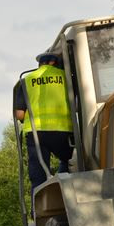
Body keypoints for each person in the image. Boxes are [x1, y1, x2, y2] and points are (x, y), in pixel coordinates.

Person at [14, 53, 74, 192]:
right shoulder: (66, 77)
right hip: (63, 132)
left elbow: (19, 114)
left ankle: (38, 210)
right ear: (55, 63)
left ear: (40, 65)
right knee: (70, 161)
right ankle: (63, 189)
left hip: (36, 135)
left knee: (38, 177)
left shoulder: (27, 80)